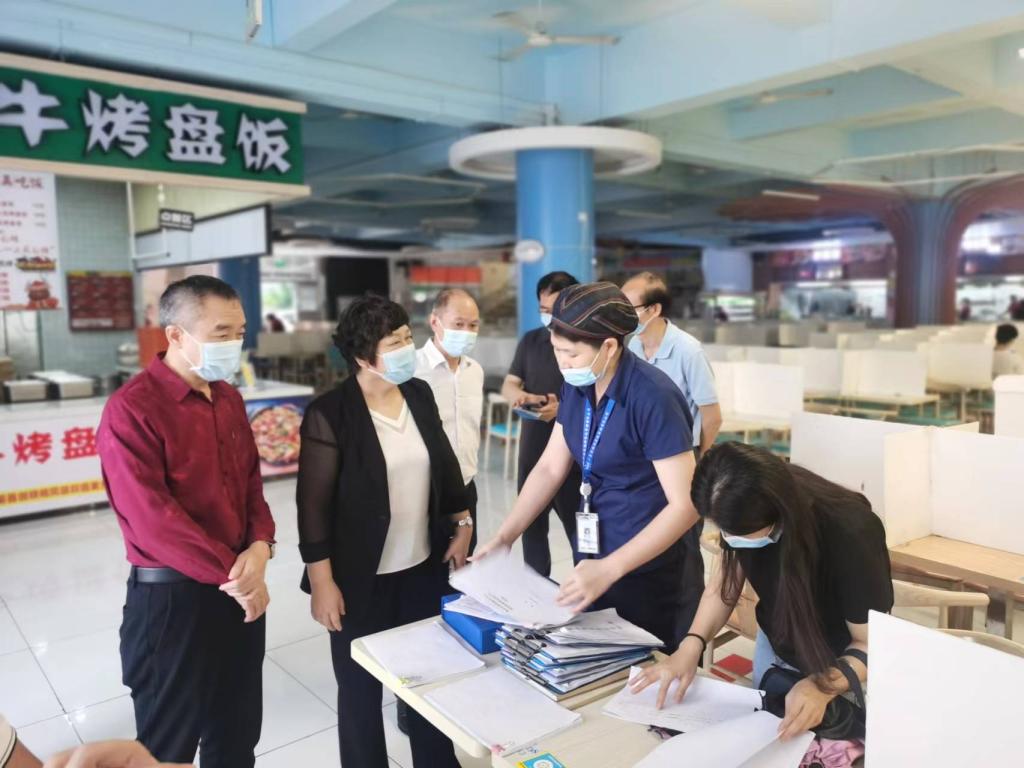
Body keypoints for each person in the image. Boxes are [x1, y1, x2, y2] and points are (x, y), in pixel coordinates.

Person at [97, 276, 276, 768]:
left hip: (238, 589)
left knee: (236, 735)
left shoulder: (229, 399)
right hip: (173, 602)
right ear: (175, 334)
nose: (234, 344)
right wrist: (238, 577)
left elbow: (250, 485)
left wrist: (261, 546)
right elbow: (154, 520)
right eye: (221, 333)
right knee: (166, 748)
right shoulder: (132, 409)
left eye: (240, 333)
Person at [297, 294, 472, 768]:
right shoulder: (330, 413)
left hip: (421, 570)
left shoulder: (418, 393)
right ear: (362, 356)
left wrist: (462, 521)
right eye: (393, 342)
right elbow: (312, 507)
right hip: (358, 580)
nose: (406, 348)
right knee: (360, 691)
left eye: (407, 337)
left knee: (428, 681)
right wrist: (322, 582)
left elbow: (445, 464)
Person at [480, 282, 702, 649]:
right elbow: (550, 467)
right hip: (593, 559)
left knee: (640, 668)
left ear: (610, 347)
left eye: (570, 353)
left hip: (647, 569)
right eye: (556, 350)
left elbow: (687, 505)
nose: (561, 362)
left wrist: (611, 567)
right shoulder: (578, 385)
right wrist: (505, 536)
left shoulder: (653, 398)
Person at [632, 443, 893, 740]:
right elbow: (722, 588)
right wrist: (691, 645)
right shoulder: (741, 501)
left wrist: (822, 687)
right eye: (725, 531)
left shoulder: (851, 531)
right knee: (767, 743)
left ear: (778, 517)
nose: (729, 539)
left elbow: (871, 642)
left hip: (842, 665)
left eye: (738, 534)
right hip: (777, 645)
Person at [501, 271, 583, 577]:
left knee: (579, 532)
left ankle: (588, 589)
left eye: (555, 309)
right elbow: (510, 384)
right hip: (534, 447)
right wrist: (523, 397)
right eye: (543, 309)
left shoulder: (584, 345)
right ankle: (536, 592)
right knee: (532, 529)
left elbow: (595, 396)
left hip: (573, 453)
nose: (548, 317)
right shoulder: (531, 341)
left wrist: (562, 410)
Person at [415, 288, 484, 552]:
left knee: (464, 563)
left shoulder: (474, 371)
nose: (467, 331)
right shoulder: (413, 369)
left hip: (466, 486)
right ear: (435, 322)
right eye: (458, 324)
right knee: (428, 565)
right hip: (424, 490)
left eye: (473, 325)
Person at [622, 273, 722, 456]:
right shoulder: (634, 345)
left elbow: (712, 417)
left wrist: (700, 458)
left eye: (629, 308)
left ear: (654, 309)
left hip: (681, 450)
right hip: (644, 447)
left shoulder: (689, 351)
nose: (622, 315)